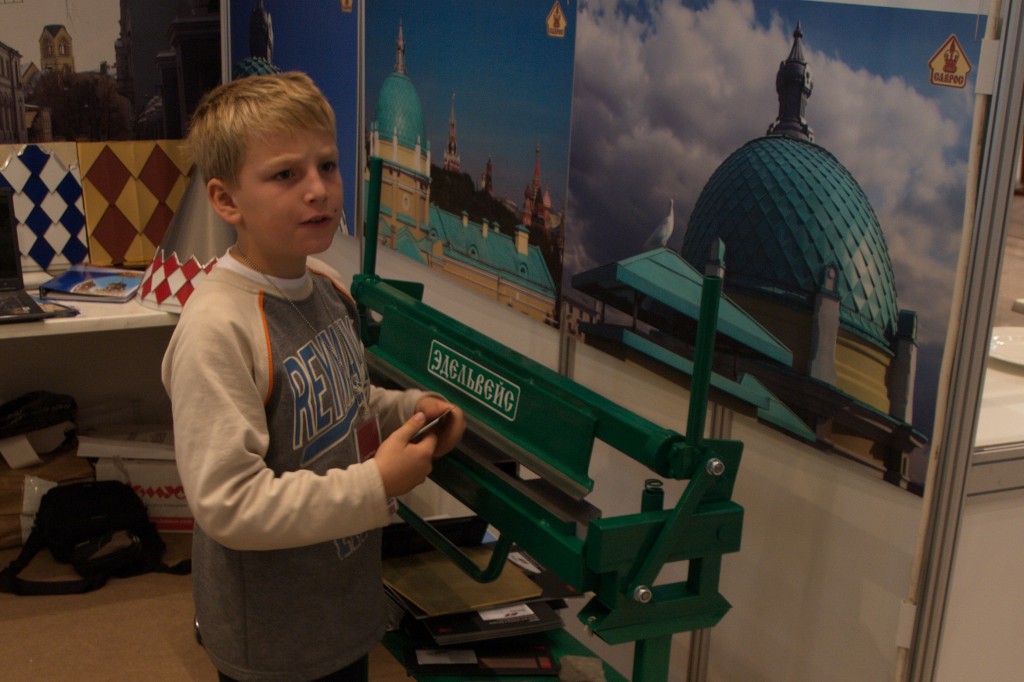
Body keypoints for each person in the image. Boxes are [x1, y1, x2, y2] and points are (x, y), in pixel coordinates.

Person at [161, 71, 465, 682]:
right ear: (226, 201)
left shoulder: (325, 286)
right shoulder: (217, 329)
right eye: (285, 175)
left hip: (341, 608)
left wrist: (408, 410)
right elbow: (230, 504)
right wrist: (376, 484)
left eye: (327, 166)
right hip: (272, 639)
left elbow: (347, 398)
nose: (319, 190)